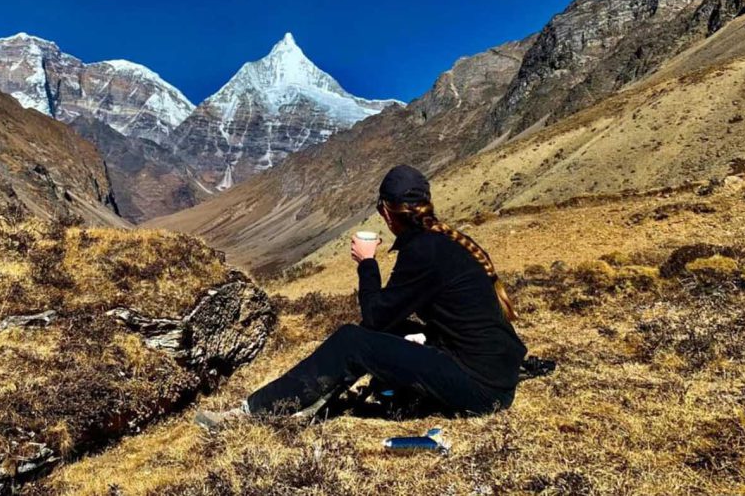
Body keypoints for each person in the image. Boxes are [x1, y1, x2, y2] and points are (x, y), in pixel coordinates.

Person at [195, 164, 527, 429]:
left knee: (353, 341)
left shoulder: (423, 251)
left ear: (386, 212)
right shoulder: (448, 241)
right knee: (387, 336)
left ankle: (254, 411)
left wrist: (367, 263)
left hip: (482, 389)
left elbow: (375, 318)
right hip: (496, 373)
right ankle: (314, 399)